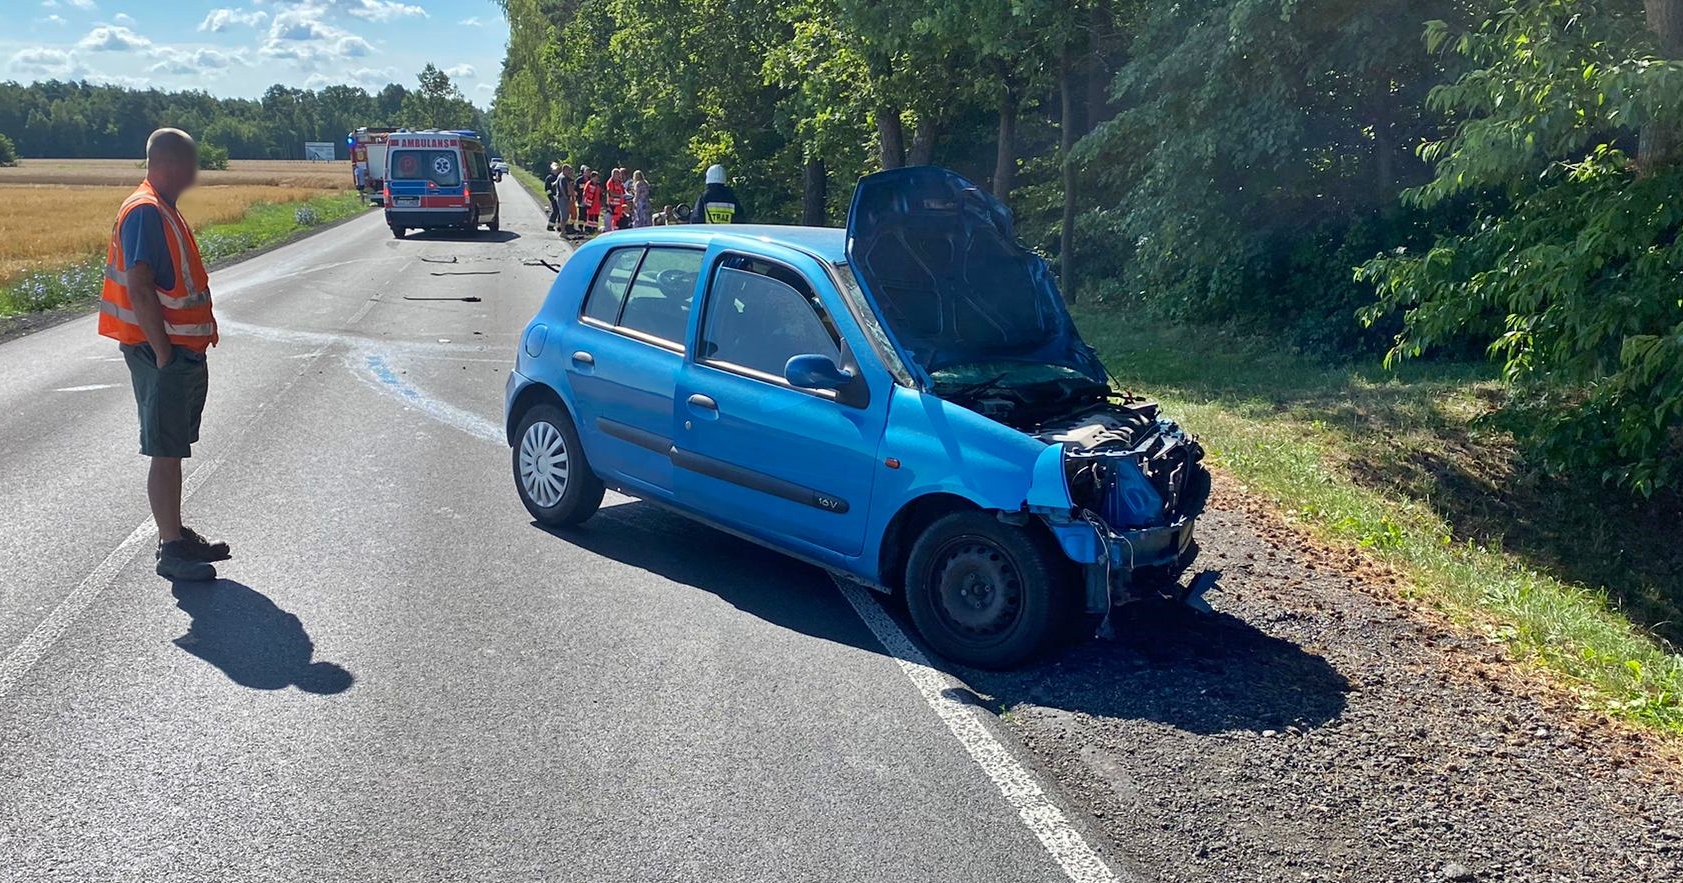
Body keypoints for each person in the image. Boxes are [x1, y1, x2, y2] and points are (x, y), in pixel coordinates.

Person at [99, 128, 228, 582]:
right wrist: (163, 354)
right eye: (191, 162)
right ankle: (170, 549)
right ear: (170, 163)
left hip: (177, 351)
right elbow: (139, 285)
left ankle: (174, 534)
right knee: (166, 451)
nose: (196, 170)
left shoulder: (161, 208)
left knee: (173, 449)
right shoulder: (146, 211)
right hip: (163, 353)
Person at [604, 167, 627, 233]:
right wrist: (619, 195)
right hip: (613, 204)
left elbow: (623, 191)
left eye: (619, 174)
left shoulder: (620, 182)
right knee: (614, 218)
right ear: (613, 175)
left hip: (619, 204)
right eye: (617, 174)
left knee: (619, 218)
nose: (619, 175)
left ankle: (618, 230)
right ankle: (614, 231)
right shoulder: (610, 182)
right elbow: (610, 192)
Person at [582, 169, 604, 234]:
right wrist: (583, 201)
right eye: (596, 177)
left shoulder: (598, 185)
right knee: (590, 215)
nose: (597, 179)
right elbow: (585, 192)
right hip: (590, 203)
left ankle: (594, 228)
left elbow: (601, 193)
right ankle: (589, 228)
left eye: (597, 177)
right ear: (592, 177)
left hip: (597, 203)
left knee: (596, 215)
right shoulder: (589, 183)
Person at [543, 161, 563, 231]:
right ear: (552, 170)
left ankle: (560, 226)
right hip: (553, 198)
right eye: (555, 170)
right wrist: (551, 197)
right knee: (555, 211)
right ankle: (550, 226)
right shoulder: (549, 178)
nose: (556, 171)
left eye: (557, 170)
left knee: (560, 211)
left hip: (559, 197)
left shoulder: (559, 177)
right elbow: (547, 189)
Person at [558, 163, 576, 235]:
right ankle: (562, 232)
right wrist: (566, 196)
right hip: (563, 198)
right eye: (568, 170)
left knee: (566, 215)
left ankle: (564, 231)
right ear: (564, 170)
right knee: (564, 216)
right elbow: (562, 188)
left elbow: (572, 184)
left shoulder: (566, 178)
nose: (569, 171)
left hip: (566, 198)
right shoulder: (562, 178)